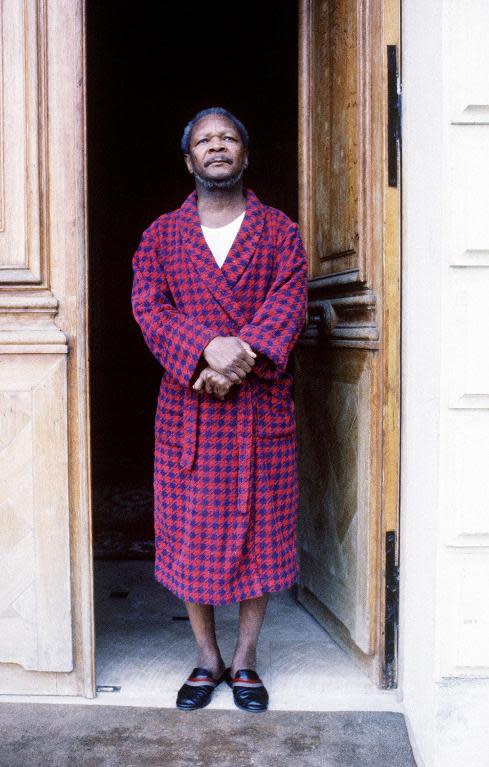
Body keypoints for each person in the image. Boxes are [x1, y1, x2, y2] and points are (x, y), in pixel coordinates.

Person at [131, 107, 308, 712]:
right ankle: (206, 658)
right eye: (204, 140)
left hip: (258, 407)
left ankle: (246, 659)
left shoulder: (279, 231)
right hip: (190, 410)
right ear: (189, 160)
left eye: (228, 138)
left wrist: (242, 354)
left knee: (259, 533)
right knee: (190, 534)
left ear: (245, 155)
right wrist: (205, 347)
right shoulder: (160, 235)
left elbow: (290, 298)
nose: (217, 147)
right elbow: (149, 309)